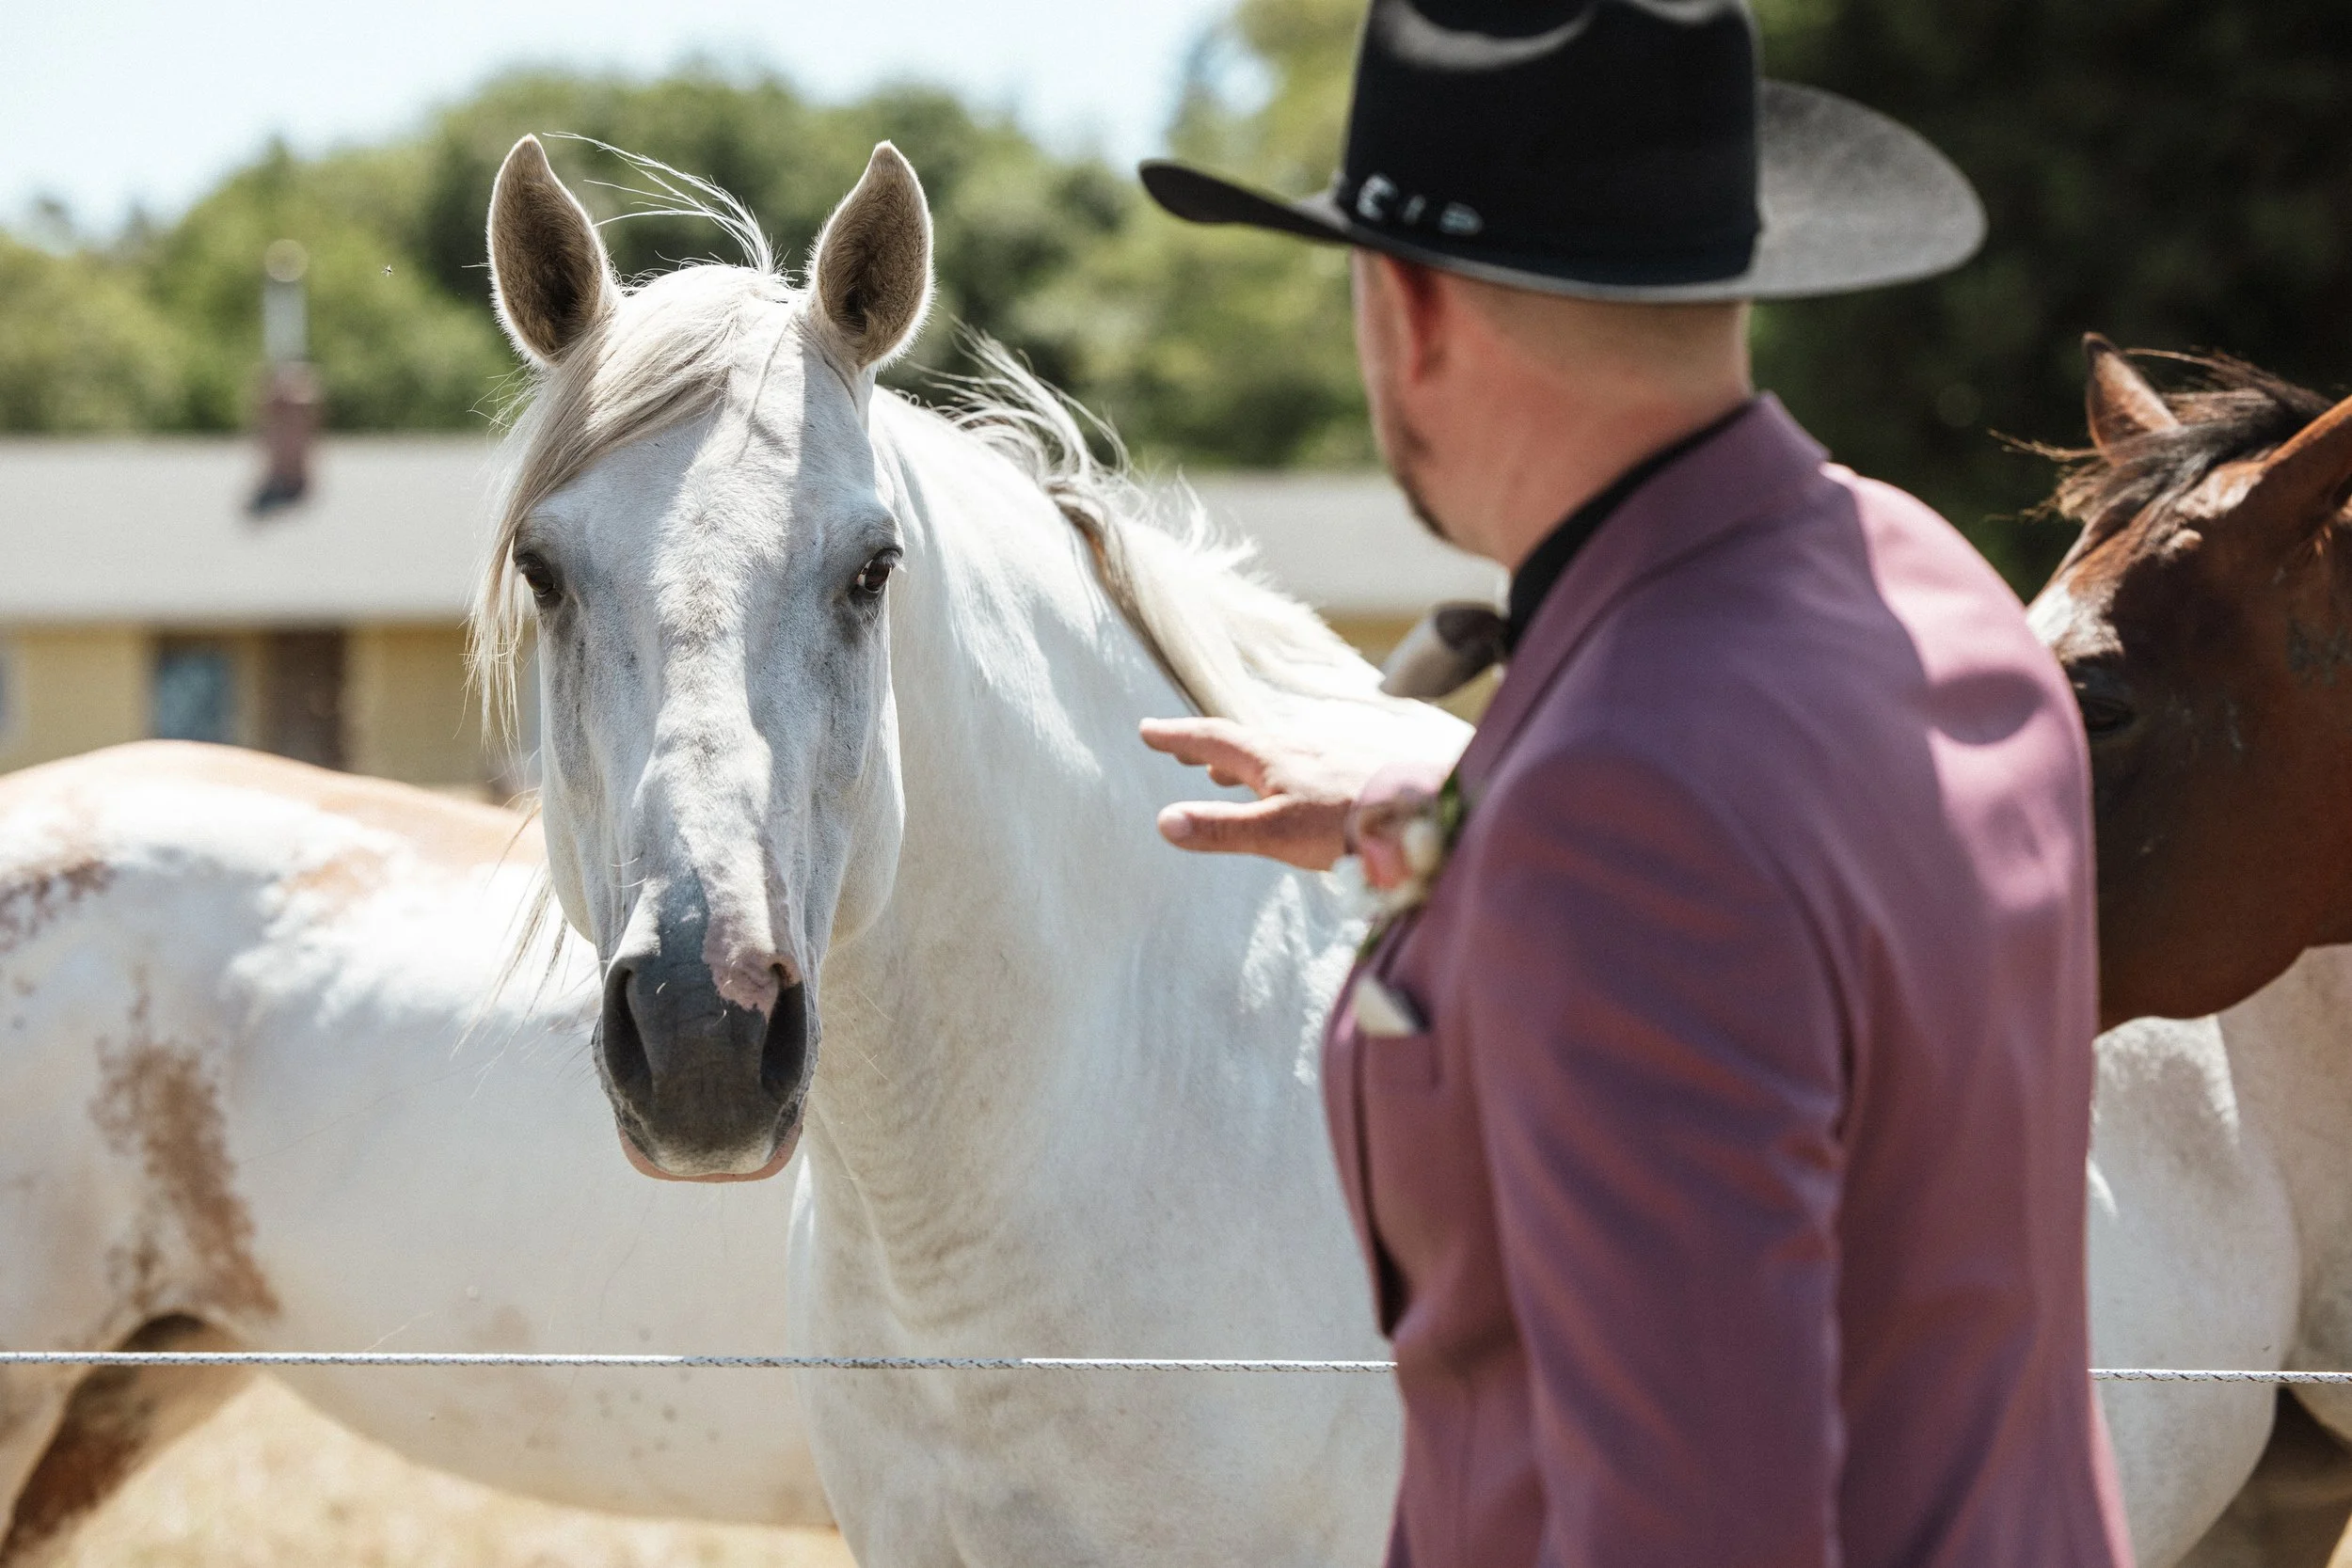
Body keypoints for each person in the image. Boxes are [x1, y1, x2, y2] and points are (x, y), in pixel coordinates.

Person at [1133, 3, 2136, 1565]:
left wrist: (1532, 818)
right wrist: (1447, 812)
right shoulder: (1930, 585)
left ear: (1411, 309)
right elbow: (1798, 937)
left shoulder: (1623, 806)